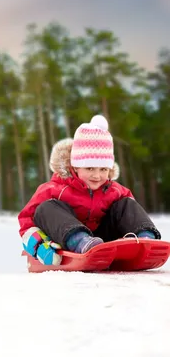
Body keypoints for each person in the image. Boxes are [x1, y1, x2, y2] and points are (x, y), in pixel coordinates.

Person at [18, 114, 160, 265]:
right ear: (75, 166)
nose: (97, 176)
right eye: (90, 168)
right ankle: (79, 241)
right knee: (46, 207)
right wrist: (38, 243)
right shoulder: (55, 188)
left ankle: (145, 240)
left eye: (103, 169)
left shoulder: (114, 190)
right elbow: (27, 217)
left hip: (103, 241)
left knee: (126, 203)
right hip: (66, 239)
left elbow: (130, 213)